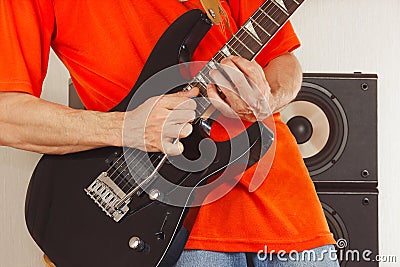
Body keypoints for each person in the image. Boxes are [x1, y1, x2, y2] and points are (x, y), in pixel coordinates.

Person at [0, 0, 339, 266]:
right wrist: (125, 127)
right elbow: (6, 114)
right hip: (165, 221)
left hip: (289, 209)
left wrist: (268, 97)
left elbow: (282, 58)